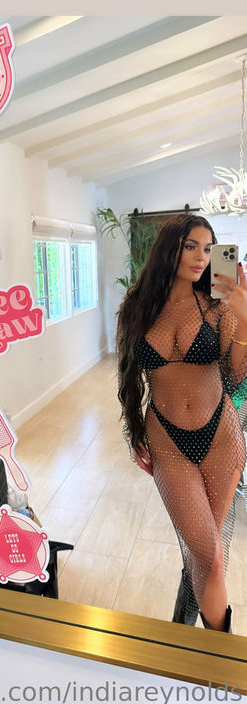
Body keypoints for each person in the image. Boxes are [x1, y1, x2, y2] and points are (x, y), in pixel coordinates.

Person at [117, 213, 247, 633]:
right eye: (190, 246)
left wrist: (245, 318)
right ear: (169, 248)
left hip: (221, 436)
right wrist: (134, 431)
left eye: (208, 249)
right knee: (206, 550)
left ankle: (199, 640)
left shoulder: (217, 305)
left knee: (205, 551)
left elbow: (235, 376)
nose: (201, 257)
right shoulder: (137, 307)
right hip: (166, 439)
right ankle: (203, 643)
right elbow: (128, 374)